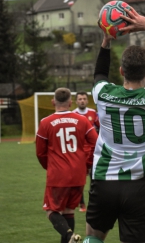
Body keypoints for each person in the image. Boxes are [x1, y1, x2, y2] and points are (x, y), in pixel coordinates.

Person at [82, 7, 145, 243]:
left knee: (92, 238)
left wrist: (106, 40)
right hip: (139, 186)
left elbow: (99, 73)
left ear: (121, 71)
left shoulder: (103, 94)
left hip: (104, 181)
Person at [36, 87, 98, 243]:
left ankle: (70, 236)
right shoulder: (82, 120)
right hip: (78, 174)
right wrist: (87, 164)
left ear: (53, 102)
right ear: (71, 103)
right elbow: (96, 143)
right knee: (69, 212)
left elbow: (40, 153)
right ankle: (69, 238)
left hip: (58, 175)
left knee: (51, 211)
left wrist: (49, 167)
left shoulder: (45, 123)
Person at [73, 91, 100, 212]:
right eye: (80, 99)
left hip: (94, 151)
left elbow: (101, 128)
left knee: (94, 178)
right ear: (76, 101)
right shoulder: (73, 115)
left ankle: (94, 202)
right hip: (79, 152)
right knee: (80, 179)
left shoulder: (93, 113)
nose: (82, 101)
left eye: (84, 98)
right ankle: (81, 203)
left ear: (87, 100)